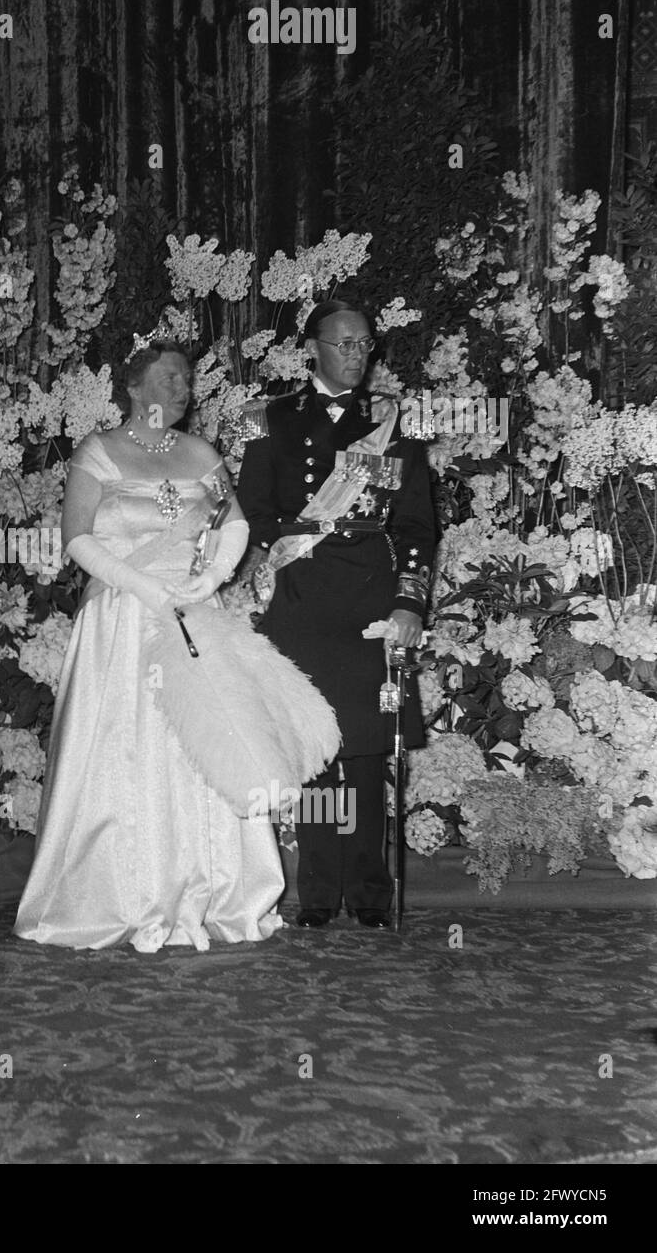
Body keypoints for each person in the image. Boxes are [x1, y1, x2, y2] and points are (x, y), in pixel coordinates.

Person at [13, 341, 340, 953]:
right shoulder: (100, 451)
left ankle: (214, 890)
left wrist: (210, 579)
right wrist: (146, 590)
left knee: (202, 746)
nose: (182, 387)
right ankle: (118, 893)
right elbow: (76, 539)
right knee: (125, 747)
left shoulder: (199, 454)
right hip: (122, 619)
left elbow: (235, 522)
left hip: (192, 615)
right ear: (135, 389)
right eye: (168, 377)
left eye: (187, 378)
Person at [236, 300, 437, 929]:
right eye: (344, 343)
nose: (357, 354)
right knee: (314, 745)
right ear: (313, 349)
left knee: (370, 750)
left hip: (369, 602)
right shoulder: (268, 419)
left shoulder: (391, 427)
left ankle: (370, 893)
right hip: (300, 599)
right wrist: (295, 539)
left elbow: (414, 528)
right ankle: (319, 893)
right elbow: (251, 510)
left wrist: (408, 602)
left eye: (365, 343)